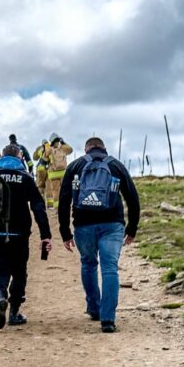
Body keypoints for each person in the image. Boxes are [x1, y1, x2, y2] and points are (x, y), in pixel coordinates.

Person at [59, 137, 140, 334]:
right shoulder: (116, 165)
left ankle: (94, 308)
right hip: (112, 224)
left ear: (86, 149)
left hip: (83, 225)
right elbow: (132, 198)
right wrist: (132, 228)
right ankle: (108, 319)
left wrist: (65, 232)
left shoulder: (75, 166)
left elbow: (63, 200)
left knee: (88, 264)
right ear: (104, 148)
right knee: (109, 268)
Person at [0, 145, 53, 329]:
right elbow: (38, 207)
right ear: (19, 156)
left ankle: (0, 296)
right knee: (19, 272)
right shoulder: (25, 177)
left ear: (1, 156)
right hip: (20, 233)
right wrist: (45, 234)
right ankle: (14, 312)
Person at [43, 133, 73, 207]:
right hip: (63, 173)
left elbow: (44, 158)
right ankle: (65, 205)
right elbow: (70, 150)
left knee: (55, 191)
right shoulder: (63, 148)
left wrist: (46, 145)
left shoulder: (50, 149)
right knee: (65, 190)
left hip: (53, 174)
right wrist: (63, 142)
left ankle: (57, 208)